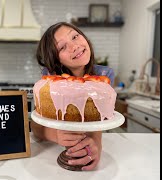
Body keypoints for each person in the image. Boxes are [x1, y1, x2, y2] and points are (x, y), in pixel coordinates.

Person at [30, 22, 115, 171]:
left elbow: (97, 118)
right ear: (56, 59)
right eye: (62, 47)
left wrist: (96, 143)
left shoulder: (104, 76)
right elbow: (36, 125)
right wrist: (55, 135)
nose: (74, 46)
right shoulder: (51, 79)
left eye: (75, 37)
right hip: (50, 156)